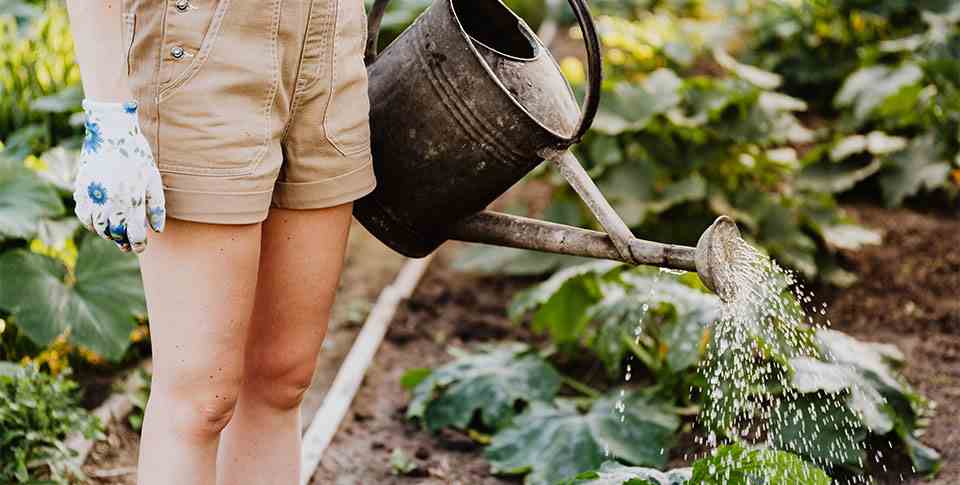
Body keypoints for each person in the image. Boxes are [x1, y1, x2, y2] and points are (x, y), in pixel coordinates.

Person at [65, 1, 376, 483]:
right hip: (205, 41)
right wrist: (108, 113)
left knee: (283, 379)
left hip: (331, 34)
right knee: (199, 402)